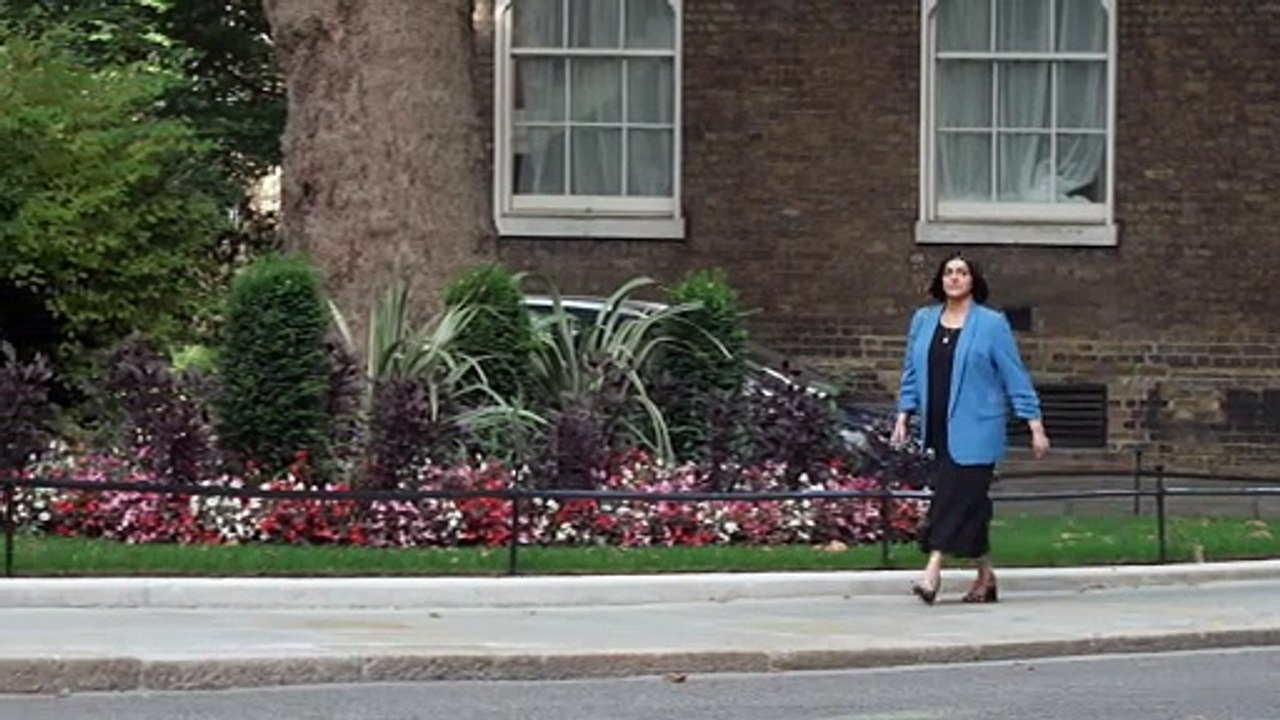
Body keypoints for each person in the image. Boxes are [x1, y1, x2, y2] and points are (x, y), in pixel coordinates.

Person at [890, 253, 1050, 605]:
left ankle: (932, 571)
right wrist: (905, 411)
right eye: (948, 272)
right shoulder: (924, 320)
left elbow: (1014, 373)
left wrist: (1033, 421)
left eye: (962, 272)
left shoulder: (991, 324)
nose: (954, 278)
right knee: (970, 503)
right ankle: (986, 578)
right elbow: (911, 370)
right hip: (939, 426)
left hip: (979, 428)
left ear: (973, 280)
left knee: (951, 494)